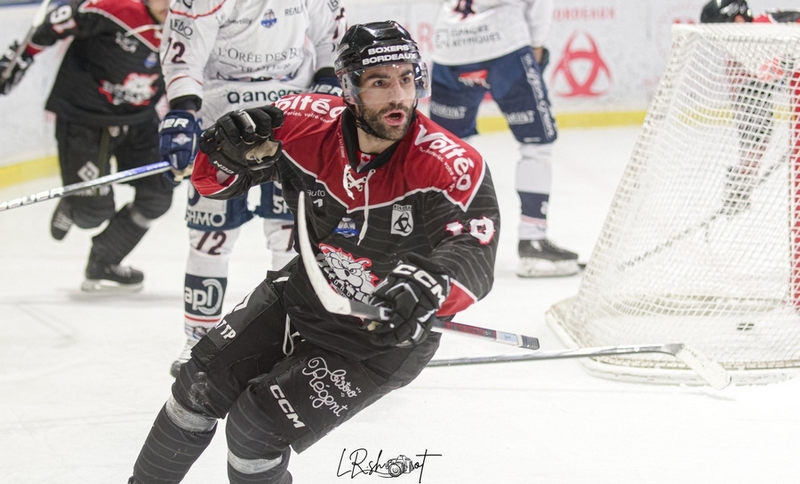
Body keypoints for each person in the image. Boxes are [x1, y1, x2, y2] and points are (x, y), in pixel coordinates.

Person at [128, 20, 500, 484]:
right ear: (348, 87)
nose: (398, 96)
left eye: (406, 78)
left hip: (379, 337)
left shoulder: (450, 163)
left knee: (253, 429)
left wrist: (424, 289)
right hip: (302, 293)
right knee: (193, 389)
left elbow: (474, 253)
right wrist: (221, 151)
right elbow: (211, 185)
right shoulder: (302, 124)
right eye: (379, 82)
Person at [157, 0, 347, 377]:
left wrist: (328, 75)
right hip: (221, 121)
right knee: (210, 236)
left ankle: (290, 332)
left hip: (292, 117)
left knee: (291, 236)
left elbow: (332, 32)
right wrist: (182, 110)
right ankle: (199, 338)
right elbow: (183, 51)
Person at [0, 0, 174, 292]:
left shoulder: (189, 22)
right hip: (84, 118)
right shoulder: (112, 8)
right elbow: (58, 20)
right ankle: (75, 203)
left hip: (139, 120)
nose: (169, 4)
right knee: (93, 212)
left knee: (158, 195)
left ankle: (105, 261)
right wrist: (19, 58)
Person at [429, 0, 578, 278]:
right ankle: (533, 240)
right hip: (505, 44)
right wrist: (535, 44)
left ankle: (443, 243)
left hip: (449, 42)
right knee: (536, 143)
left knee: (446, 149)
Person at [699, 0, 800, 215]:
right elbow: (754, 121)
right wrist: (746, 173)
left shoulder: (761, 30)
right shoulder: (743, 54)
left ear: (737, 19)